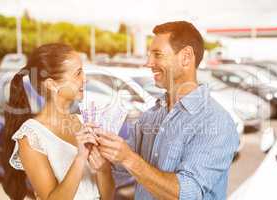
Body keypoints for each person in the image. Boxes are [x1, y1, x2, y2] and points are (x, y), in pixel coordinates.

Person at [94, 21, 239, 199]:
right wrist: (102, 152)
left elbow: (188, 193)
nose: (148, 63)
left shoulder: (216, 122)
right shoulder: (151, 116)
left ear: (186, 57)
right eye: (149, 55)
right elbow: (121, 169)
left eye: (157, 54)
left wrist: (128, 158)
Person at [2, 43, 114, 200]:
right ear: (52, 84)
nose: (85, 79)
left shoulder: (84, 122)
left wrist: (103, 170)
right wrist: (80, 158)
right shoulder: (31, 136)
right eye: (78, 73)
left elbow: (108, 196)